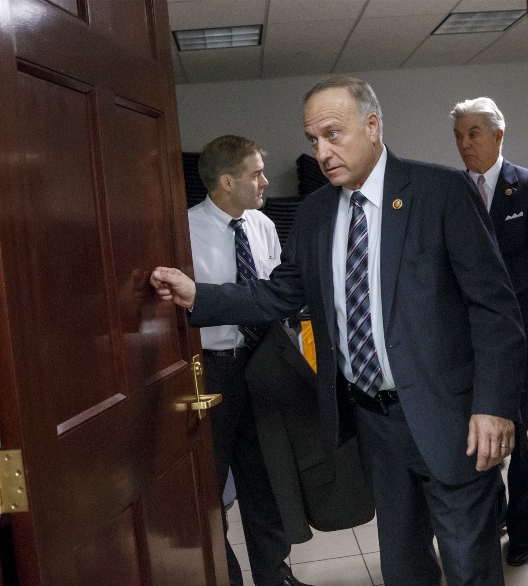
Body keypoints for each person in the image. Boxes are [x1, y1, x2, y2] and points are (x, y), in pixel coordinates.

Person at [152, 76, 525, 585]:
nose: (322, 152)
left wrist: (494, 405)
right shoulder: (316, 213)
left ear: (372, 126)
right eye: (313, 141)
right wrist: (199, 296)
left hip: (452, 417)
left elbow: (495, 310)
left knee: (468, 563)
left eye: (333, 134)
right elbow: (279, 292)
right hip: (373, 423)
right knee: (403, 564)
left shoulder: (440, 192)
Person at [189, 135, 310, 586]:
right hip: (214, 370)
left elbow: (274, 296)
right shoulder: (182, 230)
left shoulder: (261, 225)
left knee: (266, 481)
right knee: (210, 491)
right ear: (226, 181)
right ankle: (227, 579)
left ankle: (275, 578)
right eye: (256, 172)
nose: (264, 181)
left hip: (264, 365)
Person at [451, 97, 528, 566]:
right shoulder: (453, 191)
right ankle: (486, 520)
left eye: (474, 133)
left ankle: (525, 527)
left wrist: (489, 286)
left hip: (524, 324)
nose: (465, 143)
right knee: (477, 428)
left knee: (526, 424)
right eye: (459, 135)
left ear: (498, 135)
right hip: (468, 333)